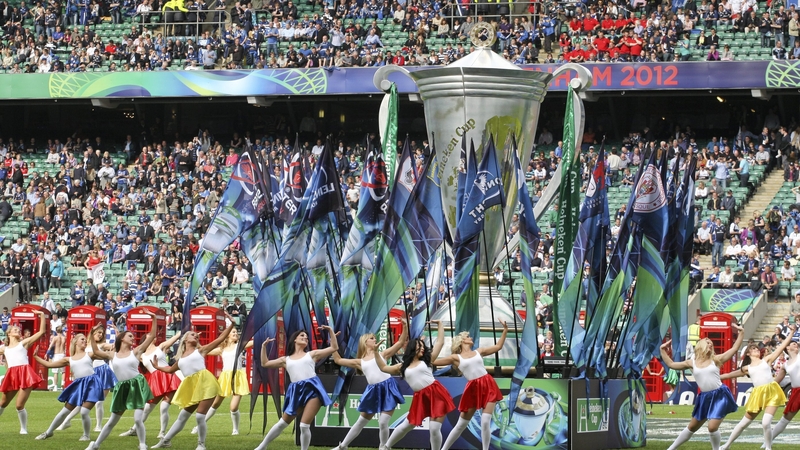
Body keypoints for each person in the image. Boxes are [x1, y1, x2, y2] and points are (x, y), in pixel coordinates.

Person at [151, 315, 237, 449]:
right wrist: (157, 367)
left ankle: (201, 445)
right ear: (185, 339)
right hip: (192, 387)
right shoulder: (180, 360)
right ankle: (165, 440)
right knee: (182, 416)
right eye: (192, 335)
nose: (196, 336)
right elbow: (169, 370)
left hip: (206, 384)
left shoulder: (201, 351)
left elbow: (220, 339)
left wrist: (231, 325)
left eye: (197, 336)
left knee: (199, 417)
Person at [658, 322, 744, 450]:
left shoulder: (715, 359)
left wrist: (741, 333)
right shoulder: (691, 362)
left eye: (711, 344)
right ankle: (671, 448)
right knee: (692, 427)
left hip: (720, 395)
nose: (710, 344)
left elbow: (734, 349)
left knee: (712, 427)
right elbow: (671, 364)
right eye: (707, 342)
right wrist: (662, 350)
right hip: (704, 397)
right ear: (701, 345)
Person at [254, 325, 338, 450]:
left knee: (304, 425)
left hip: (312, 389)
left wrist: (330, 331)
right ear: (295, 339)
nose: (305, 338)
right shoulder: (285, 359)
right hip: (296, 391)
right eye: (302, 336)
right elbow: (264, 363)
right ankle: (262, 446)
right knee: (282, 423)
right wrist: (263, 347)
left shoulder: (312, 354)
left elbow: (334, 347)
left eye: (307, 337)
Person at [84, 311, 159, 450]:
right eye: (130, 336)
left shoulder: (135, 351)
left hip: (136, 384)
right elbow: (95, 350)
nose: (133, 338)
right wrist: (91, 333)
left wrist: (154, 318)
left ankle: (142, 444)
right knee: (112, 421)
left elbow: (152, 335)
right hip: (121, 387)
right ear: (122, 338)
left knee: (137, 419)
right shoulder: (113, 354)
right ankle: (95, 445)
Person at [376, 320, 455, 450]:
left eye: (423, 347)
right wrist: (375, 352)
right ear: (413, 347)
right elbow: (383, 368)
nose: (423, 348)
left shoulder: (427, 360)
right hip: (420, 397)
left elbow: (440, 342)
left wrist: (440, 325)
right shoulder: (402, 366)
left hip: (436, 393)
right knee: (407, 425)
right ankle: (386, 447)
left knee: (434, 428)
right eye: (420, 346)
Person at [331, 319, 409, 450]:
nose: (375, 339)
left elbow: (401, 342)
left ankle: (383, 447)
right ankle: (342, 446)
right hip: (373, 390)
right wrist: (332, 340)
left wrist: (405, 326)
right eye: (372, 338)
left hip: (388, 387)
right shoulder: (360, 361)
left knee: (383, 422)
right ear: (365, 341)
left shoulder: (382, 354)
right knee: (361, 421)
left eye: (375, 338)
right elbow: (338, 360)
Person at [720, 326, 796, 450]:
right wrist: (716, 377)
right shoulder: (747, 368)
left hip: (772, 392)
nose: (756, 349)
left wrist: (791, 332)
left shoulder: (766, 360)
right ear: (748, 354)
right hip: (758, 394)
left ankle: (768, 447)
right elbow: (729, 374)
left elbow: (781, 347)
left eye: (756, 348)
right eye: (753, 349)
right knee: (743, 423)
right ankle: (727, 445)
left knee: (766, 422)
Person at [436, 320, 507, 450]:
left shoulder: (479, 351)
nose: (471, 337)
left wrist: (505, 330)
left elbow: (498, 347)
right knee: (460, 425)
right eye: (468, 336)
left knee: (485, 422)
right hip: (472, 389)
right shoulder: (456, 357)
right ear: (462, 340)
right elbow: (434, 361)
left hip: (487, 384)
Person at [33, 333, 108, 441]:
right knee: (64, 412)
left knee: (84, 412)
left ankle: (86, 435)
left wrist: (91, 335)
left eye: (85, 340)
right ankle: (48, 432)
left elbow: (98, 352)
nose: (84, 341)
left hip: (92, 384)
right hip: (79, 385)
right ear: (75, 342)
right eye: (82, 339)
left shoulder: (89, 354)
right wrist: (36, 357)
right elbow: (49, 365)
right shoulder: (69, 359)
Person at [118, 331, 183, 439]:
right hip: (155, 381)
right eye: (149, 335)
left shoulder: (160, 347)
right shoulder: (141, 355)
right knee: (147, 408)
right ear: (145, 339)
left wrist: (183, 329)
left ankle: (162, 432)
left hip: (168, 376)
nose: (153, 336)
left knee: (164, 407)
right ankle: (134, 429)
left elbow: (175, 338)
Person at [190, 327, 253, 436]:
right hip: (225, 377)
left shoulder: (239, 345)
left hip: (237, 376)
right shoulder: (221, 349)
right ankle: (199, 425)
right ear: (227, 335)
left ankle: (235, 429)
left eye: (236, 332)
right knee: (214, 403)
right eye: (233, 332)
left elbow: (254, 341)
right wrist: (197, 338)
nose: (235, 333)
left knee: (233, 407)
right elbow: (204, 349)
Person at [59, 325, 117, 432]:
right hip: (90, 374)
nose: (100, 335)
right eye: (98, 332)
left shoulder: (102, 345)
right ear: (93, 333)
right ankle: (66, 421)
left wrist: (116, 332)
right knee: (81, 401)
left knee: (99, 402)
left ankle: (98, 425)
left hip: (103, 372)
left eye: (101, 333)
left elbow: (114, 346)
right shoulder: (84, 345)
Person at [0, 310, 47, 434]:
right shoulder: (4, 348)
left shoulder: (23, 343)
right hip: (12, 375)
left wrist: (41, 315)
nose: (18, 331)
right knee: (2, 403)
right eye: (15, 330)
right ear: (8, 333)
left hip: (25, 374)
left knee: (19, 405)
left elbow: (41, 332)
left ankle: (23, 429)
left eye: (18, 330)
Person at [771, 338, 800, 440]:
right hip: (796, 392)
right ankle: (767, 441)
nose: (796, 344)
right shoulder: (785, 365)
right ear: (787, 347)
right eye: (793, 343)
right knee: (785, 419)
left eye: (796, 343)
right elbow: (776, 382)